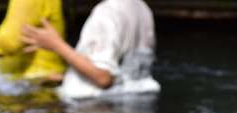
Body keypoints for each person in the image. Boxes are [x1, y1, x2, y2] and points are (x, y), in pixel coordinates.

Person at [20, 0, 159, 100]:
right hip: (133, 103)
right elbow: (127, 70)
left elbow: (103, 78)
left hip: (93, 111)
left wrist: (56, 45)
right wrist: (68, 76)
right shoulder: (141, 7)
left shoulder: (106, 12)